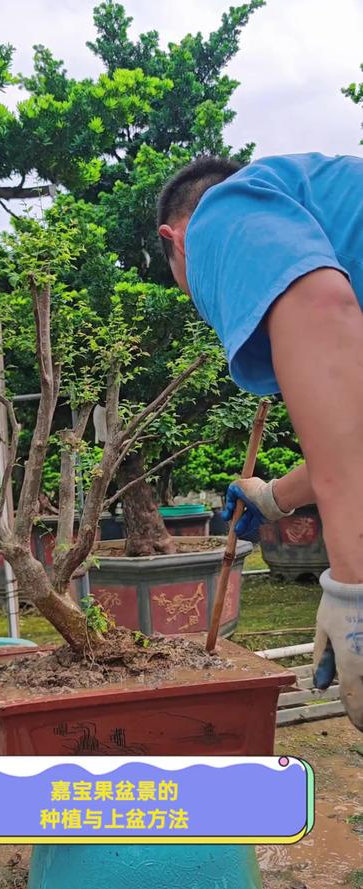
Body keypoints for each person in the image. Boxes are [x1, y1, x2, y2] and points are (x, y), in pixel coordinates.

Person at [157, 152, 363, 732]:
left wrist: (353, 589)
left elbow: (319, 306)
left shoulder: (220, 209)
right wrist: (276, 497)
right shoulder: (326, 210)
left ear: (175, 240)